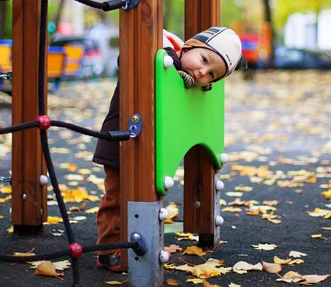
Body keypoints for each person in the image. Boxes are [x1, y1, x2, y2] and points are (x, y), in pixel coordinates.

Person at [93, 26, 245, 272]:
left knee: (148, 195)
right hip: (124, 140)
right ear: (189, 46)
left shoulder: (186, 74)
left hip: (155, 148)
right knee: (118, 197)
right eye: (204, 60)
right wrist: (173, 66)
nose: (202, 72)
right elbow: (133, 52)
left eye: (211, 76)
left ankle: (140, 244)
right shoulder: (157, 54)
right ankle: (109, 251)